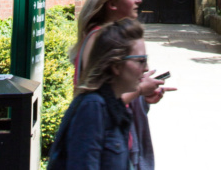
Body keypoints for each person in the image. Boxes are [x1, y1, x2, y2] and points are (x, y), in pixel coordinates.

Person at [71, 0, 169, 170]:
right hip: (106, 146)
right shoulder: (98, 40)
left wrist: (141, 93)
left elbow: (112, 94)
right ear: (112, 3)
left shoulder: (106, 36)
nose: (139, 0)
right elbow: (95, 106)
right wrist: (140, 90)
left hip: (117, 139)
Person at [49, 18, 147, 170]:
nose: (146, 68)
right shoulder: (92, 107)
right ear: (116, 66)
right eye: (141, 60)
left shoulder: (114, 106)